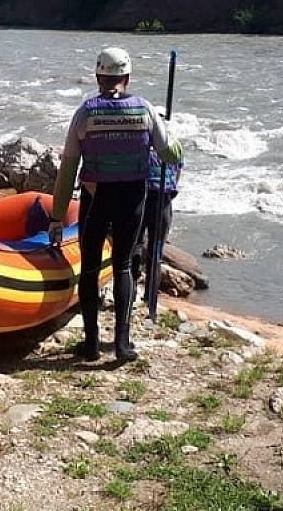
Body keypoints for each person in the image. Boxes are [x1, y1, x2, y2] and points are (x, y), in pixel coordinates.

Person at [49, 47, 182, 362]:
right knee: (123, 266)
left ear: (98, 76)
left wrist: (57, 218)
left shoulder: (85, 113)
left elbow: (67, 171)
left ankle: (92, 343)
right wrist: (170, 134)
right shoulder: (145, 110)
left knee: (91, 269)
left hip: (97, 199)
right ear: (127, 77)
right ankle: (122, 344)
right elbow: (170, 155)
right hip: (133, 198)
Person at [131, 149, 183, 285]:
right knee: (156, 250)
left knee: (136, 244)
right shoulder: (173, 144)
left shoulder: (141, 142)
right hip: (163, 199)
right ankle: (150, 295)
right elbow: (177, 173)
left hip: (141, 197)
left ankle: (132, 289)